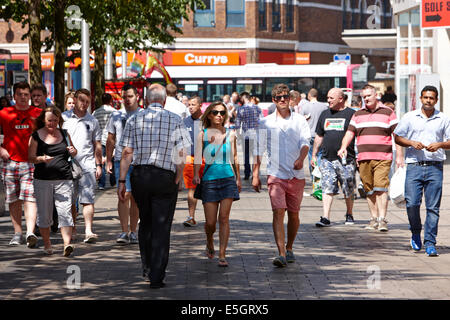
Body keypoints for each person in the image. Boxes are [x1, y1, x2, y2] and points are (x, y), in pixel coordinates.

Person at [119, 83, 191, 289]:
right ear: (165, 100)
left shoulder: (134, 119)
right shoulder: (176, 120)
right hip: (164, 177)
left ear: (147, 100)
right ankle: (157, 274)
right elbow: (182, 152)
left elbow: (127, 153)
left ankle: (147, 265)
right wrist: (178, 177)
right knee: (162, 225)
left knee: (146, 220)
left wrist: (122, 180)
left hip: (140, 176)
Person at [252, 83, 310, 267]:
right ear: (274, 100)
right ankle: (281, 253)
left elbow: (305, 142)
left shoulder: (299, 120)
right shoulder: (265, 122)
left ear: (290, 99)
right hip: (275, 174)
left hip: (296, 174)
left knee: (293, 214)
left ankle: (290, 246)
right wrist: (255, 174)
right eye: (279, 98)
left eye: (285, 97)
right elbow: (258, 149)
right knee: (278, 212)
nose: (283, 100)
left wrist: (301, 158)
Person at [394, 85, 450, 256]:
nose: (428, 101)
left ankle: (431, 242)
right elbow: (397, 136)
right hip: (414, 166)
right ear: (420, 98)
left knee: (433, 208)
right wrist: (411, 143)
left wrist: (440, 144)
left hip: (435, 167)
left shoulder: (443, 118)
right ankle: (415, 232)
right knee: (412, 204)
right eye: (425, 97)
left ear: (436, 100)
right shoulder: (410, 117)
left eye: (431, 98)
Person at [338, 84, 402, 232]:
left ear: (376, 95)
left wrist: (399, 156)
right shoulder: (358, 114)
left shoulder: (388, 112)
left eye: (368, 96)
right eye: (364, 96)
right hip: (363, 158)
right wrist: (343, 147)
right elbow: (349, 133)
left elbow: (398, 136)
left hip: (383, 157)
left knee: (381, 188)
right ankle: (373, 218)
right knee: (369, 190)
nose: (365, 99)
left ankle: (382, 219)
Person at [193, 101, 241, 267]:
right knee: (210, 223)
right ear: (209, 115)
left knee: (224, 218)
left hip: (227, 178)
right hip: (209, 180)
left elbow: (234, 158)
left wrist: (238, 178)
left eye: (222, 112)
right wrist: (195, 175)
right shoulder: (202, 135)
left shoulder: (231, 134)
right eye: (215, 112)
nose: (219, 115)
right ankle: (209, 240)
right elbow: (198, 158)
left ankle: (222, 253)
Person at [28, 106, 77, 256]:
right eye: (50, 120)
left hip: (64, 179)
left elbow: (73, 150)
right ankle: (47, 244)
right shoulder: (36, 136)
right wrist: (42, 158)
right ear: (44, 119)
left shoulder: (64, 133)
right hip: (43, 180)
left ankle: (67, 244)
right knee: (45, 214)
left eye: (56, 120)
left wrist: (74, 151)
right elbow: (30, 157)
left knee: (65, 212)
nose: (52, 123)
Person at [0, 81, 41, 247]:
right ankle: (18, 233)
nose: (23, 97)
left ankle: (30, 232)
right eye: (20, 94)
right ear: (14, 95)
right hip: (10, 162)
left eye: (26, 94)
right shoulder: (4, 113)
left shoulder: (38, 113)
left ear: (29, 96)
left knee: (30, 198)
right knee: (14, 199)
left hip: (31, 162)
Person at [62, 88, 103, 243]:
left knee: (88, 199)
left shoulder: (92, 121)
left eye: (87, 101)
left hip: (87, 166)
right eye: (81, 100)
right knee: (70, 201)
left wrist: (98, 164)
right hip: (67, 166)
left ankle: (88, 230)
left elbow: (97, 144)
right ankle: (72, 229)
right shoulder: (64, 118)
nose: (84, 104)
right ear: (76, 99)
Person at [311, 88, 356, 227]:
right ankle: (326, 217)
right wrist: (314, 155)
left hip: (346, 160)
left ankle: (349, 214)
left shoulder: (351, 114)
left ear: (341, 99)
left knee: (348, 188)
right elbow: (319, 135)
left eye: (331, 98)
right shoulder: (324, 114)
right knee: (327, 187)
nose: (328, 100)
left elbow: (356, 135)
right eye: (328, 97)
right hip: (326, 159)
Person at [106, 84, 140, 244]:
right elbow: (110, 139)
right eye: (124, 97)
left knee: (136, 198)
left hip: (139, 160)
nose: (127, 99)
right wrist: (108, 160)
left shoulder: (144, 115)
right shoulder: (116, 116)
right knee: (123, 195)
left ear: (137, 96)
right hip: (120, 159)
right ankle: (124, 231)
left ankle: (134, 231)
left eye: (130, 96)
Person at [182, 96, 205, 227]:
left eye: (193, 104)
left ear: (200, 105)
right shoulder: (185, 122)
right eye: (189, 104)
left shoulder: (208, 121)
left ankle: (211, 215)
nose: (190, 107)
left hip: (206, 159)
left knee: (208, 188)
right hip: (190, 159)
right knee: (192, 188)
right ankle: (191, 216)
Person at [298, 88, 329, 183]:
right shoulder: (324, 107)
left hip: (309, 135)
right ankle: (321, 178)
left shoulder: (304, 106)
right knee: (320, 156)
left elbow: (300, 121)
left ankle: (315, 180)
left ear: (309, 96)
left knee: (311, 157)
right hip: (321, 135)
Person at [235, 91, 261, 180]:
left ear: (243, 98)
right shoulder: (257, 108)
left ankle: (247, 174)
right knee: (255, 155)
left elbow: (238, 124)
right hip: (256, 134)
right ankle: (255, 174)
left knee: (246, 155)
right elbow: (261, 121)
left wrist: (238, 136)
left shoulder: (241, 109)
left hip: (246, 135)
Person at [93, 93, 116, 190]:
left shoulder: (96, 112)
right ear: (111, 101)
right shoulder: (115, 112)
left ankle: (101, 183)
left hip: (100, 139)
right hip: (111, 138)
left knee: (100, 160)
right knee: (112, 160)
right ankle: (112, 180)